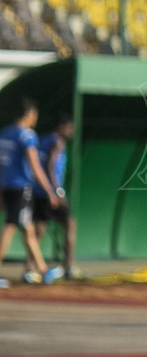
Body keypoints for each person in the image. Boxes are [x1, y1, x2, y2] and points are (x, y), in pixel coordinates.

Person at [0, 98, 59, 286]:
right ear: (30, 114)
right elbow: (35, 165)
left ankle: (42, 270)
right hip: (21, 187)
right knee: (11, 227)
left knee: (28, 229)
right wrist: (50, 190)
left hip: (6, 186)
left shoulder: (6, 133)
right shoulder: (27, 135)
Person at [32, 114, 79, 282]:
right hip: (51, 193)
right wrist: (57, 191)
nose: (71, 131)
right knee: (70, 224)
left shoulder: (42, 140)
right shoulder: (57, 142)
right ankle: (67, 267)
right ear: (61, 127)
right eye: (69, 127)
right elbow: (51, 166)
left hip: (38, 191)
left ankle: (30, 268)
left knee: (38, 229)